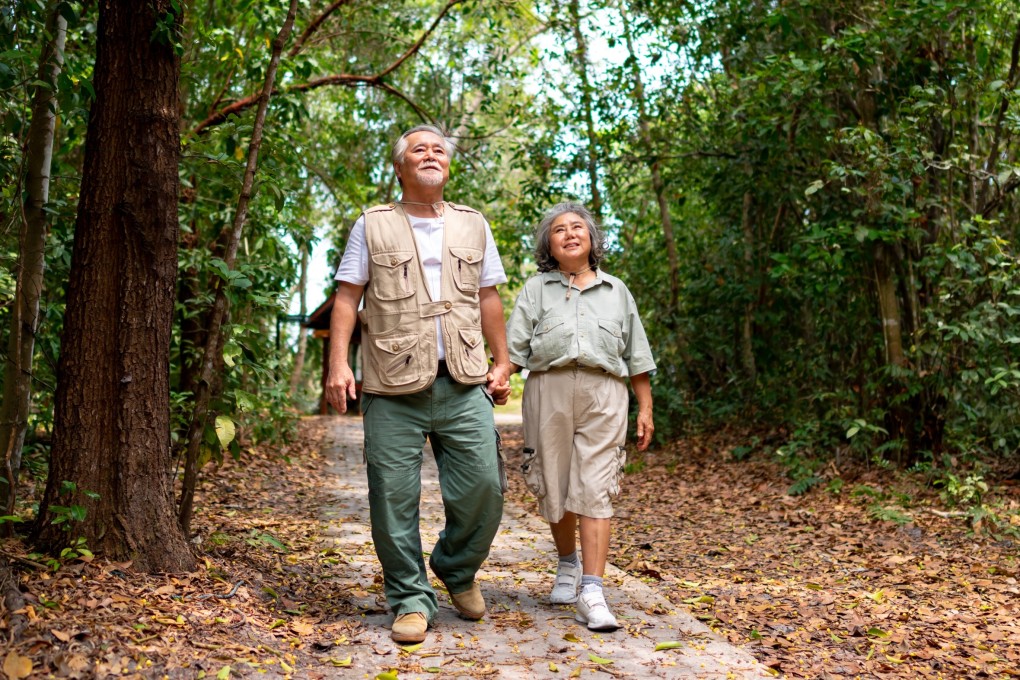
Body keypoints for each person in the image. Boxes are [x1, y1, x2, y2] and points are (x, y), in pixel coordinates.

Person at [325, 124, 512, 644]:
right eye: (418, 149)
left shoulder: (474, 224)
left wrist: (503, 360)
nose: (430, 155)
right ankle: (409, 597)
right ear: (400, 166)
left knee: (485, 487)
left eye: (438, 150)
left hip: (463, 380)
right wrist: (339, 364)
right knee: (392, 498)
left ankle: (456, 568)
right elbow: (347, 296)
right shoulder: (372, 224)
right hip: (391, 386)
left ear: (447, 166)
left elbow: (488, 297)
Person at [506, 202, 654, 632]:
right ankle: (567, 563)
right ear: (549, 245)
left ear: (591, 238)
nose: (569, 234)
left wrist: (644, 407)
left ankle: (593, 590)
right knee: (555, 482)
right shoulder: (536, 289)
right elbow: (515, 350)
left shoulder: (617, 290)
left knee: (595, 486)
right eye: (558, 230)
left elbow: (637, 355)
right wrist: (495, 379)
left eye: (577, 228)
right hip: (547, 390)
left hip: (604, 391)